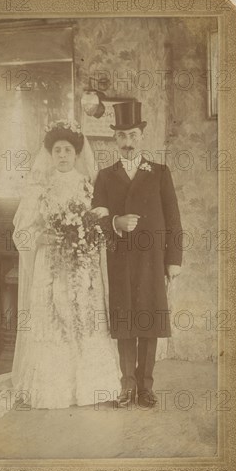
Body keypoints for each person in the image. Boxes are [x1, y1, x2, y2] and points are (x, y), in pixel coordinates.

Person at [0, 121, 121, 422]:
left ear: (76, 153)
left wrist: (86, 236)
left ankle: (91, 386)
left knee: (83, 317)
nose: (63, 155)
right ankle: (52, 388)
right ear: (51, 154)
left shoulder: (87, 184)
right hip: (50, 263)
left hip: (81, 265)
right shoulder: (40, 186)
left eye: (68, 150)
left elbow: (98, 224)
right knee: (52, 318)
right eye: (58, 150)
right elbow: (22, 233)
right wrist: (43, 238)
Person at [92, 99, 183, 409]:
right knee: (125, 321)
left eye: (132, 135)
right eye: (121, 136)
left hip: (151, 260)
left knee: (148, 319)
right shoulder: (105, 176)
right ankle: (126, 386)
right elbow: (97, 219)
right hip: (119, 259)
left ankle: (146, 386)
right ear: (115, 139)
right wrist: (115, 222)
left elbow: (173, 219)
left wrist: (173, 260)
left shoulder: (159, 172)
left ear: (141, 135)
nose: (127, 142)